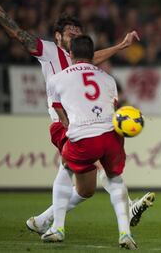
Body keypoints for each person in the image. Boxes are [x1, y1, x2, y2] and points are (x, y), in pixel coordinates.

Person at [0, 0, 155, 234]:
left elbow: (94, 57)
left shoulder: (80, 58)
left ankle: (42, 221)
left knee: (86, 189)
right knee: (82, 167)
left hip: (84, 118)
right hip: (63, 120)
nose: (74, 35)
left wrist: (123, 45)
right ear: (58, 36)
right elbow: (16, 32)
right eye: (70, 31)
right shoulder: (48, 50)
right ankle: (70, 223)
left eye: (77, 33)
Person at [45, 35, 137, 248]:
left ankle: (57, 228)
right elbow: (113, 109)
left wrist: (70, 128)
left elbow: (59, 112)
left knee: (66, 166)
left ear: (71, 54)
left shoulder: (57, 78)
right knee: (115, 179)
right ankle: (125, 233)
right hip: (111, 136)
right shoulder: (108, 78)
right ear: (92, 55)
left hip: (84, 137)